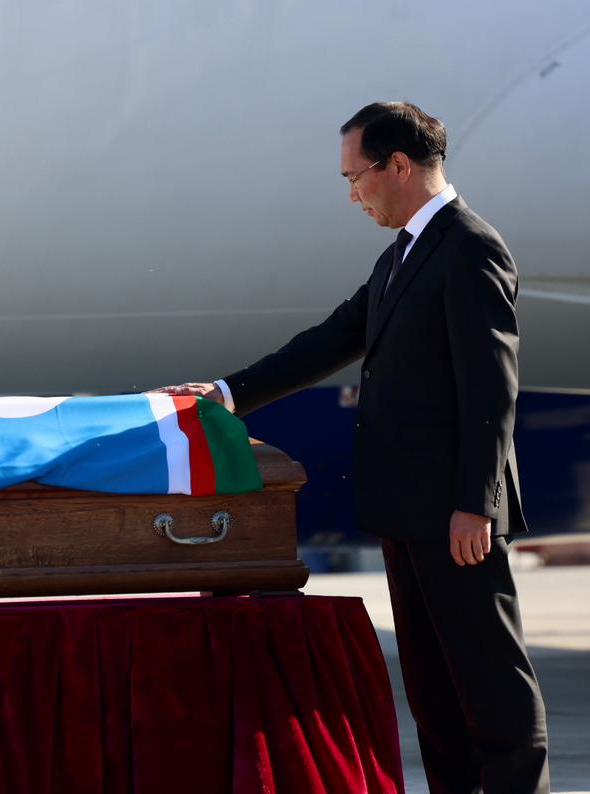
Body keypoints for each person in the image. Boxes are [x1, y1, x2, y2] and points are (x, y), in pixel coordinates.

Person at [158, 101, 549, 794]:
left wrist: (476, 505)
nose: (351, 194)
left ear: (398, 165)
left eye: (354, 176)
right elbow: (334, 339)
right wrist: (225, 393)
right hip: (408, 509)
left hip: (455, 515)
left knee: (491, 683)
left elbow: (492, 389)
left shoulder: (469, 247)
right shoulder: (403, 253)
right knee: (434, 694)